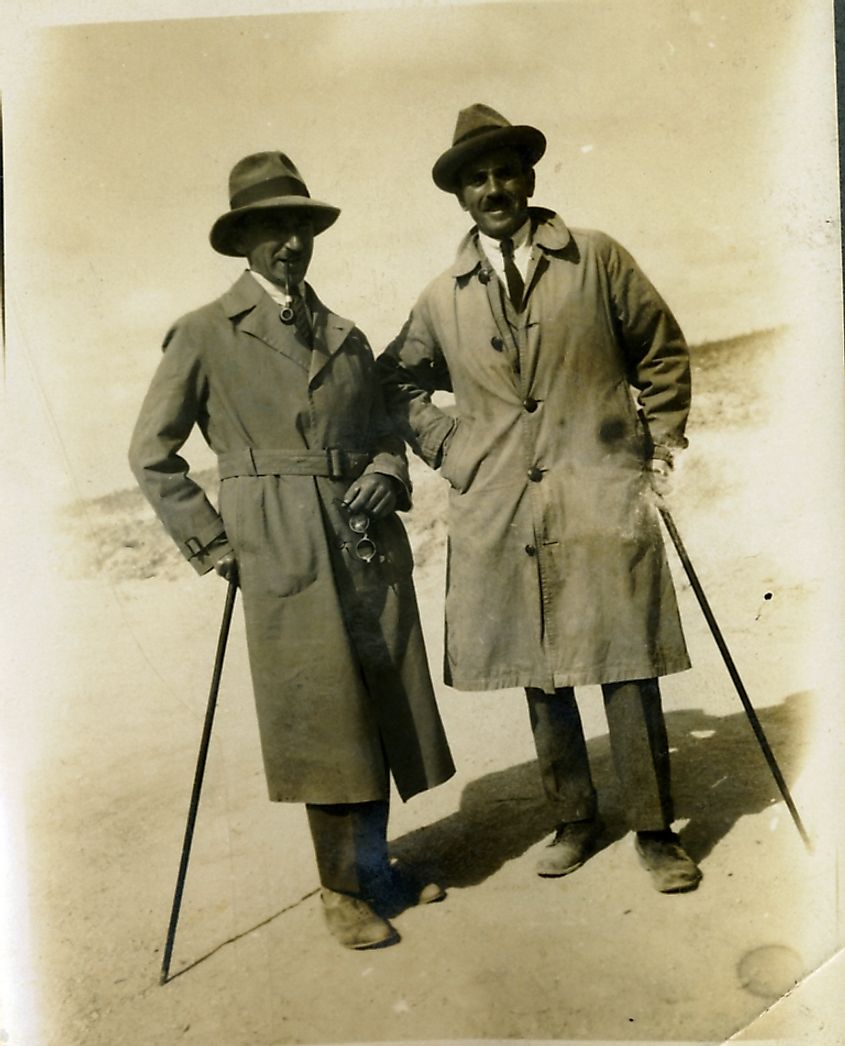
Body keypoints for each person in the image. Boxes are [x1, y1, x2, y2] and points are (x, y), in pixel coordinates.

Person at [129, 151, 455, 949]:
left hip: (362, 536)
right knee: (321, 713)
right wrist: (215, 544)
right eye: (271, 229)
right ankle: (340, 890)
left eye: (299, 227)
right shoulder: (205, 334)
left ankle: (375, 868)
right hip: (278, 540)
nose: (289, 244)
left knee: (376, 702)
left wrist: (385, 469)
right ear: (243, 241)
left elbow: (384, 430)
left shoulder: (344, 335)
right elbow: (151, 453)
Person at [377, 104, 702, 893]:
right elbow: (395, 381)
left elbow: (659, 351)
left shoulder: (595, 259)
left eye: (504, 172)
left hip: (599, 487)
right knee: (542, 662)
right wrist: (450, 446)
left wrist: (654, 448)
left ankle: (655, 830)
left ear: (528, 176)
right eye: (475, 179)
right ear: (459, 196)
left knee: (625, 657)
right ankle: (573, 817)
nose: (493, 189)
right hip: (503, 505)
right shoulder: (441, 296)